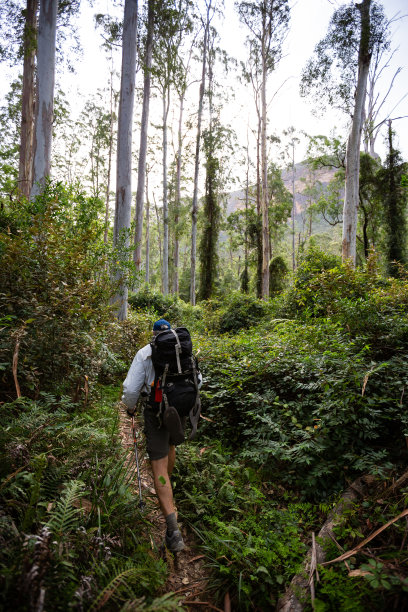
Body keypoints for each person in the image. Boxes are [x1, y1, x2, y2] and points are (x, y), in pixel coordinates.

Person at [122, 319, 200, 552]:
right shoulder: (182, 350)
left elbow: (130, 389)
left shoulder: (146, 353)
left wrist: (130, 407)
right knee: (171, 447)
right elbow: (198, 381)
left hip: (156, 411)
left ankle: (173, 531)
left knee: (158, 468)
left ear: (154, 335)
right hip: (180, 410)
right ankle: (168, 492)